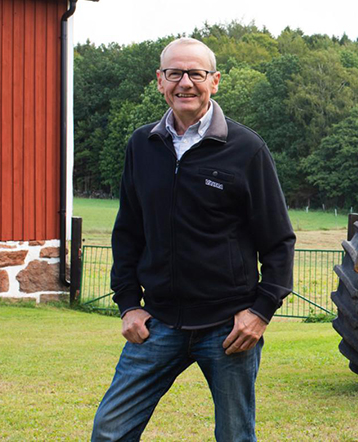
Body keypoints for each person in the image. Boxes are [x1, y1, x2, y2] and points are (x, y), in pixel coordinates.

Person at [92, 38, 295, 441]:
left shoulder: (246, 149)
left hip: (228, 329)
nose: (185, 83)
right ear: (160, 81)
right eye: (175, 73)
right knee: (110, 431)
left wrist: (260, 312)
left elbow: (278, 240)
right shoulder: (141, 145)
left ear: (214, 81)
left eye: (196, 74)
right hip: (158, 324)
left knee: (235, 436)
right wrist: (129, 305)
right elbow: (128, 232)